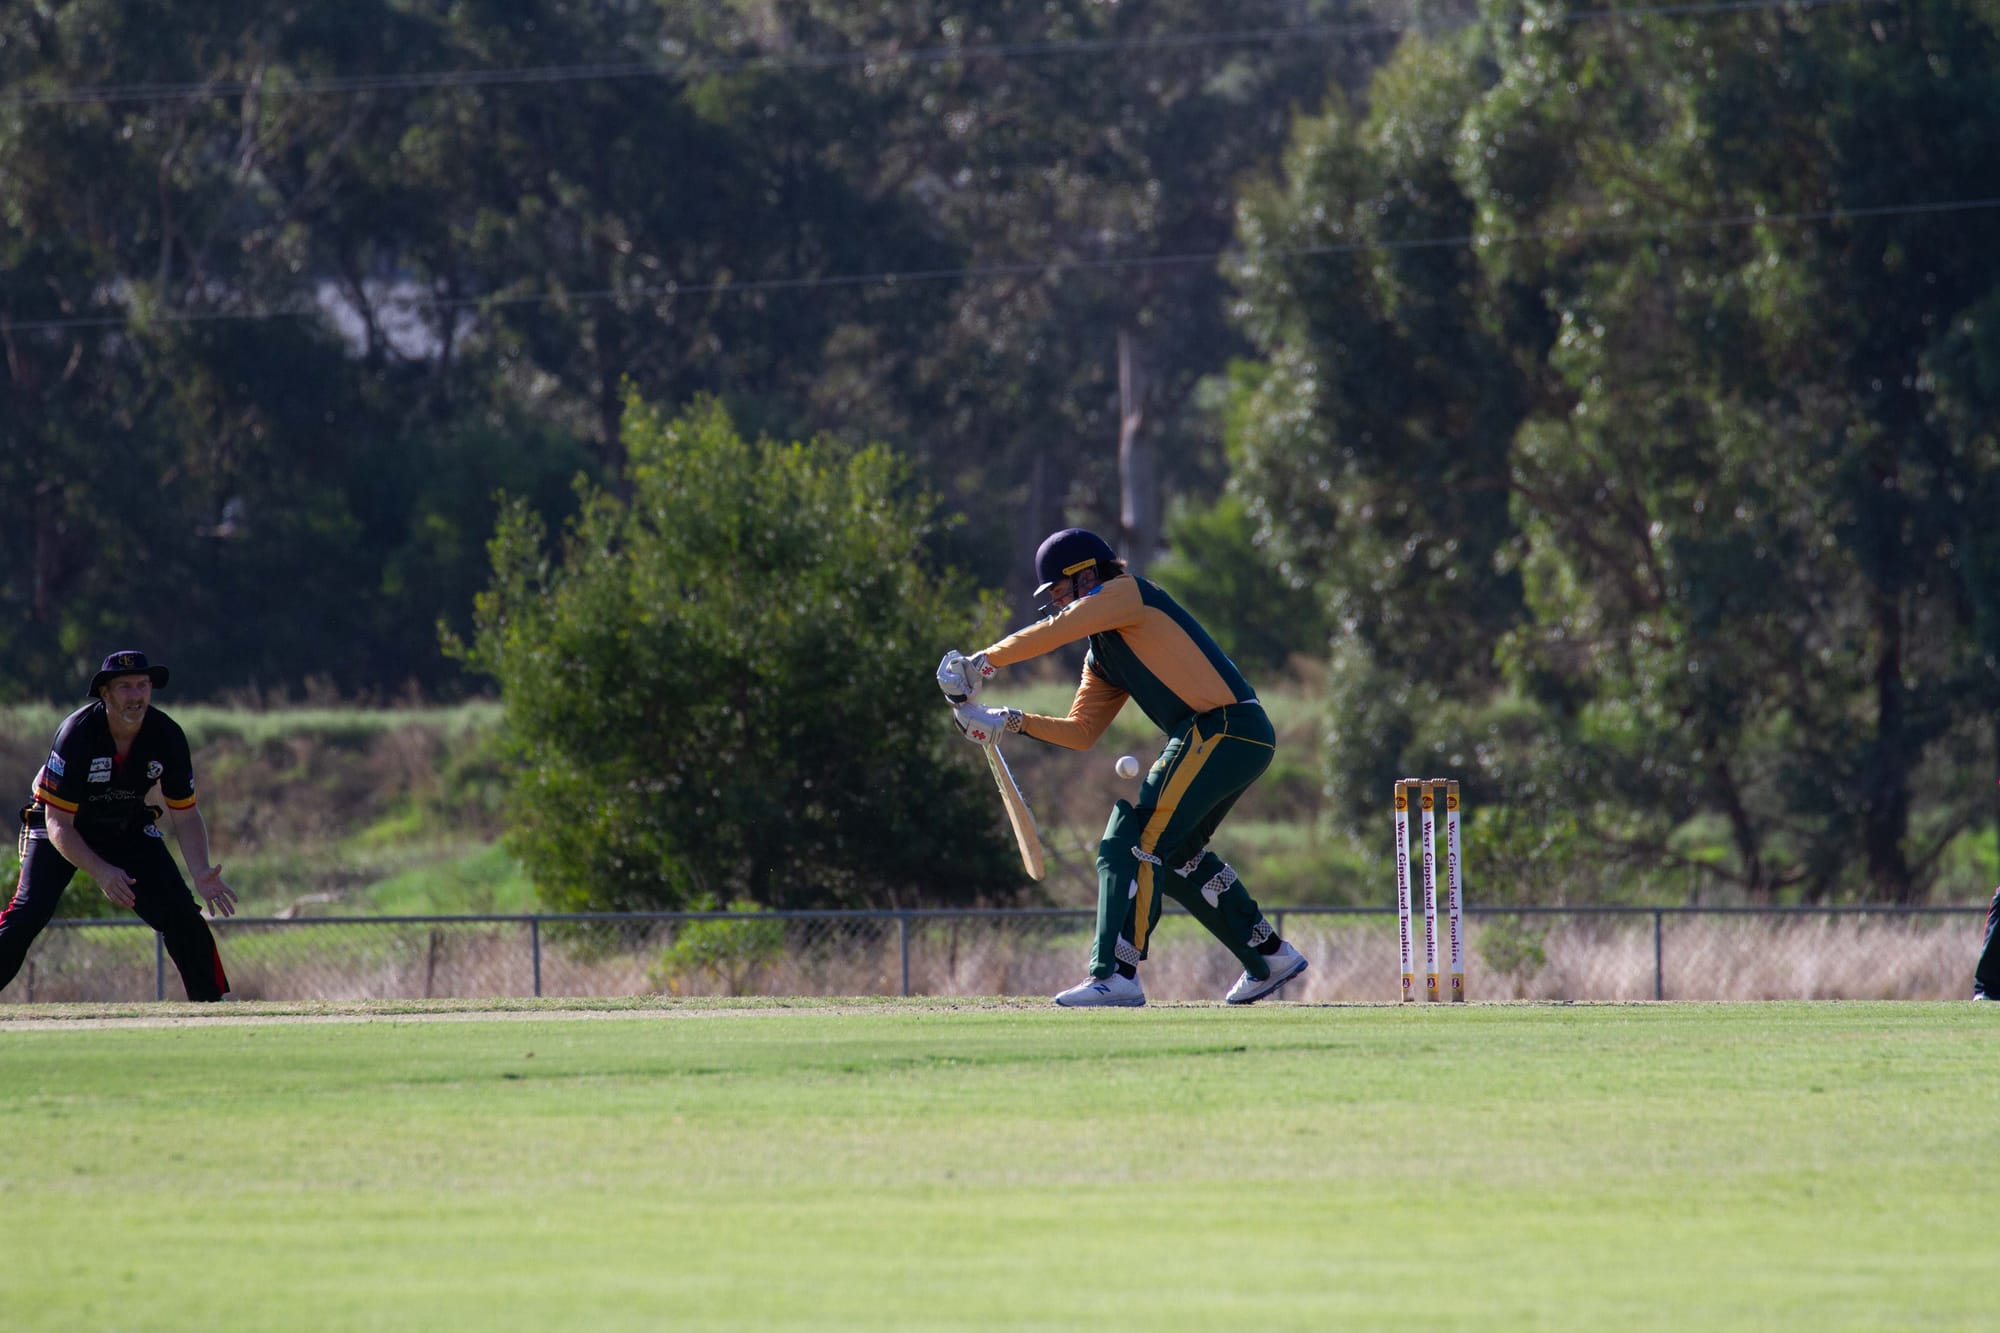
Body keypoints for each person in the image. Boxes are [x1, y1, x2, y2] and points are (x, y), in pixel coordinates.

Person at [938, 528, 1308, 1007]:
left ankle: (1118, 974)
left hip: (1223, 725)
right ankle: (1268, 954)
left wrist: (981, 662)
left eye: (1060, 590)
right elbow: (1081, 731)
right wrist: (1009, 721)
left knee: (1137, 840)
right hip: (1230, 736)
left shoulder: (1127, 593)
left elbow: (1055, 631)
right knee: (1174, 854)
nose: (1056, 603)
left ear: (1087, 573)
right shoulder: (1103, 656)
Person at [3, 649, 236, 1000]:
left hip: (125, 824)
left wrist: (201, 870)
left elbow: (186, 814)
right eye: (124, 687)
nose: (136, 695)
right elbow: (57, 824)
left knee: (183, 915)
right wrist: (102, 871)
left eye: (143, 685)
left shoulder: (167, 735)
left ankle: (212, 1010)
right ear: (105, 694)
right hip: (60, 826)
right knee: (28, 914)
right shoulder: (77, 734)